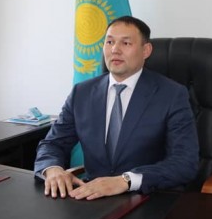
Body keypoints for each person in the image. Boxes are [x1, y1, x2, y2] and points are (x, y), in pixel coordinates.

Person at [34, 16, 199, 200]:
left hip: (149, 198)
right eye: (110, 42)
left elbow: (184, 163)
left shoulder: (172, 95)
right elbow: (52, 143)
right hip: (93, 199)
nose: (115, 50)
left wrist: (126, 180)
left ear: (146, 50)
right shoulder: (82, 93)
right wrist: (53, 169)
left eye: (126, 43)